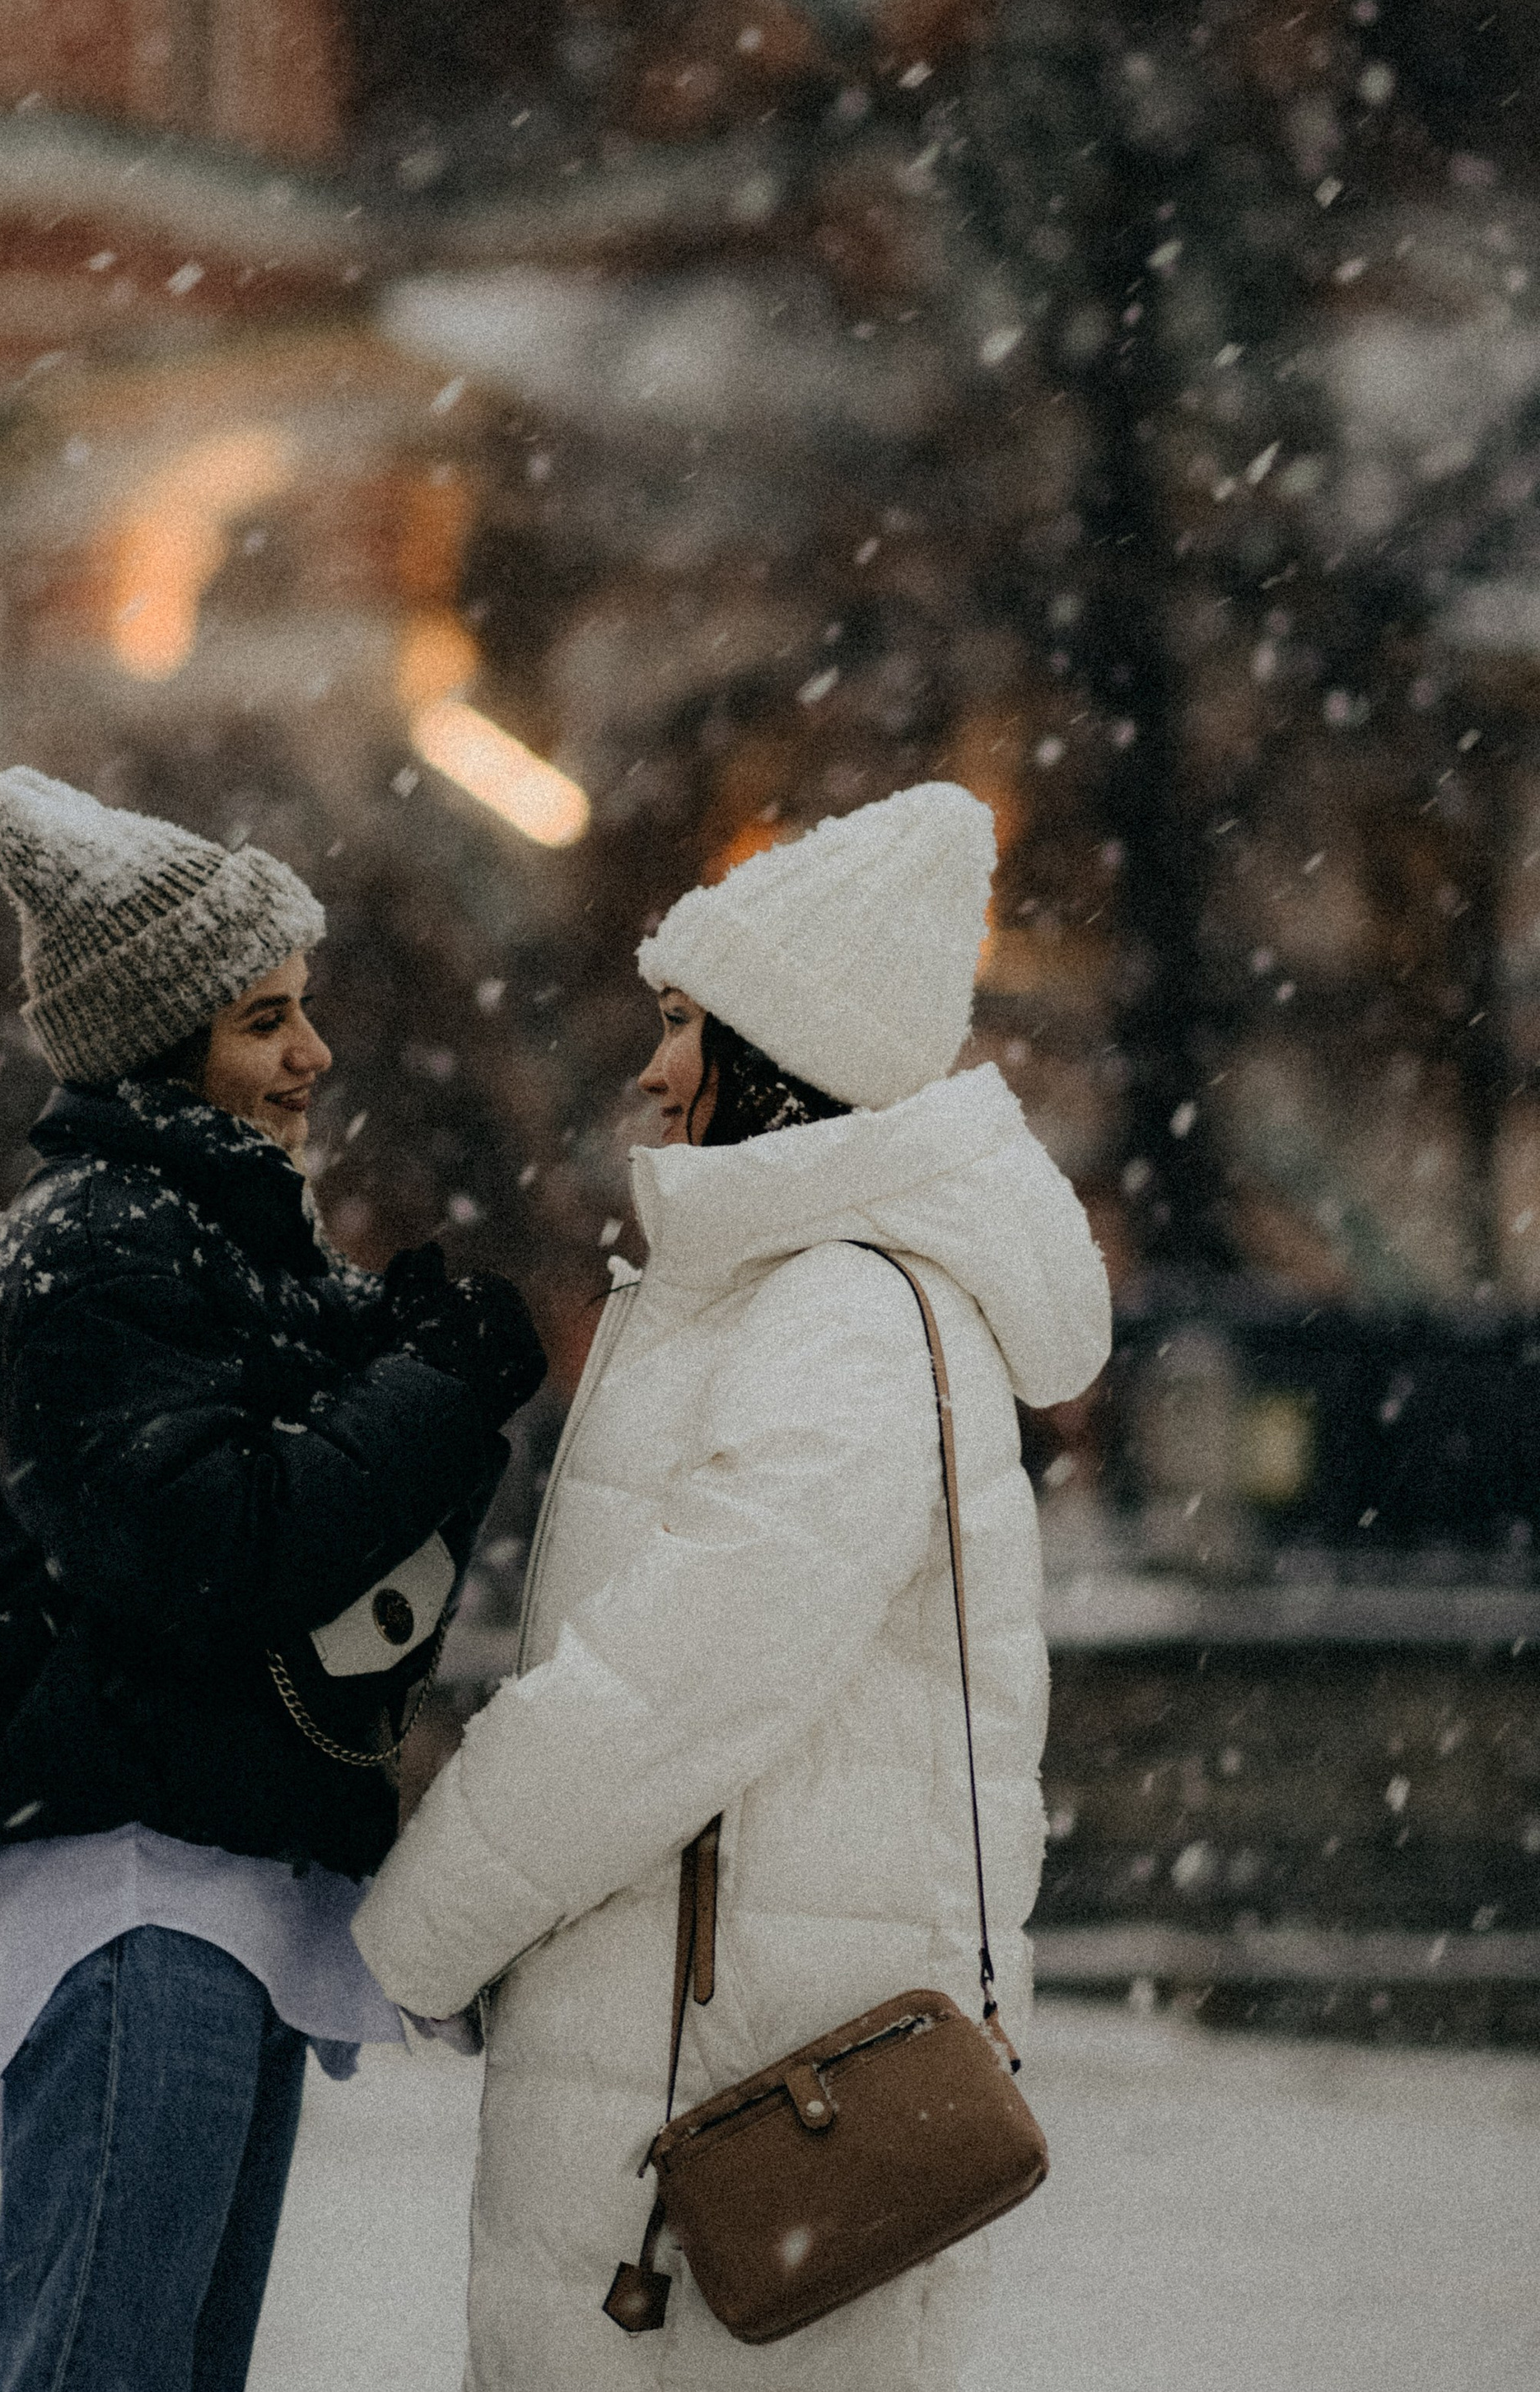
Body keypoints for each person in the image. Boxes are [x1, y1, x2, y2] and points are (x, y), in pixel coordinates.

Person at [354, 782, 1113, 2392]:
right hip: (721, 2053)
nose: (652, 1067)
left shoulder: (835, 1311)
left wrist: (426, 1924)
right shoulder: (791, 1289)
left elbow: (677, 1680)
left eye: (689, 1025)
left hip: (738, 2090)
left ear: (785, 1057)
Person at [0, 767, 543, 2392]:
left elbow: (323, 1553)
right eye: (263, 1020)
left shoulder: (218, 1247)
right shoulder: (96, 1242)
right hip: (127, 1902)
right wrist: (431, 1399)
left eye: (300, 1012)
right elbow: (214, 1552)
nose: (311, 1055)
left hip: (219, 1893)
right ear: (161, 1041)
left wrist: (401, 1364)